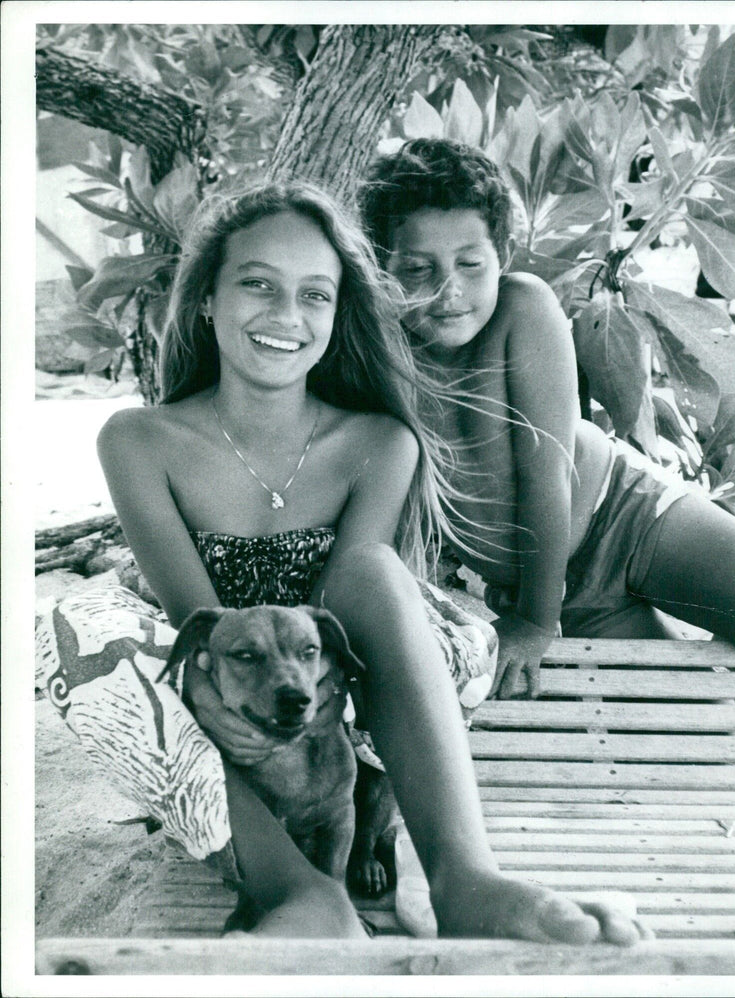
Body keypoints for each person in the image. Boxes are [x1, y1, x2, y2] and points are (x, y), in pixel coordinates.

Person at [35, 177, 645, 945]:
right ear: (205, 301)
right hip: (208, 691)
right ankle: (303, 893)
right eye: (257, 284)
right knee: (81, 627)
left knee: (372, 572)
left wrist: (311, 684)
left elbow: (355, 612)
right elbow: (199, 630)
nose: (287, 315)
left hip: (355, 689)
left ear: (337, 314)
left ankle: (463, 877)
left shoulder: (379, 442)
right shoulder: (137, 439)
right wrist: (241, 682)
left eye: (315, 295)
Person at [358, 138, 735, 699]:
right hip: (549, 585)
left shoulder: (520, 310)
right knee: (685, 717)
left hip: (628, 519)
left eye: (469, 264)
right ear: (382, 265)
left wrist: (534, 620)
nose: (448, 290)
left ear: (501, 255)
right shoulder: (379, 353)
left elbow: (546, 473)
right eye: (416, 268)